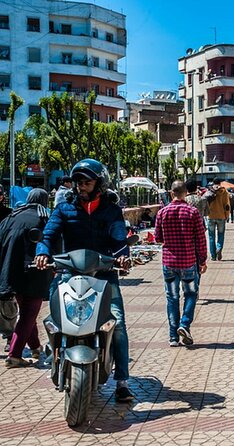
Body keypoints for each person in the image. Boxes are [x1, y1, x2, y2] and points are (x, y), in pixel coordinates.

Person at [35, 159, 134, 402]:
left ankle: (122, 381)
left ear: (99, 183)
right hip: (70, 272)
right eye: (78, 181)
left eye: (87, 181)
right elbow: (49, 234)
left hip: (104, 274)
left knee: (117, 323)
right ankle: (55, 354)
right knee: (54, 319)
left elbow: (119, 238)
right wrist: (41, 252)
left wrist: (123, 257)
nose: (81, 185)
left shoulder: (111, 210)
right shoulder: (64, 207)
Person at [0, 189, 52, 368]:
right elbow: (51, 242)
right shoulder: (44, 218)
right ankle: (14, 355)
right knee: (29, 313)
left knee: (27, 312)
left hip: (10, 272)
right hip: (33, 272)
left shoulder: (12, 216)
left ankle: (36, 347)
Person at [154, 181, 207, 347]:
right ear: (185, 193)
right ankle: (184, 324)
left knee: (172, 297)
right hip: (188, 262)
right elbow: (200, 239)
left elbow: (158, 238)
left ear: (171, 193)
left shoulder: (162, 213)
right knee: (190, 294)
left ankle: (173, 337)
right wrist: (203, 260)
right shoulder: (192, 212)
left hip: (169, 263)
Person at [206, 177, 230, 260]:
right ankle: (219, 249)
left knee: (211, 237)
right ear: (220, 183)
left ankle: (213, 256)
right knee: (221, 235)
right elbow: (227, 205)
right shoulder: (224, 192)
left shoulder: (208, 191)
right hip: (221, 216)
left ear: (213, 182)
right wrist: (227, 215)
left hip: (210, 216)